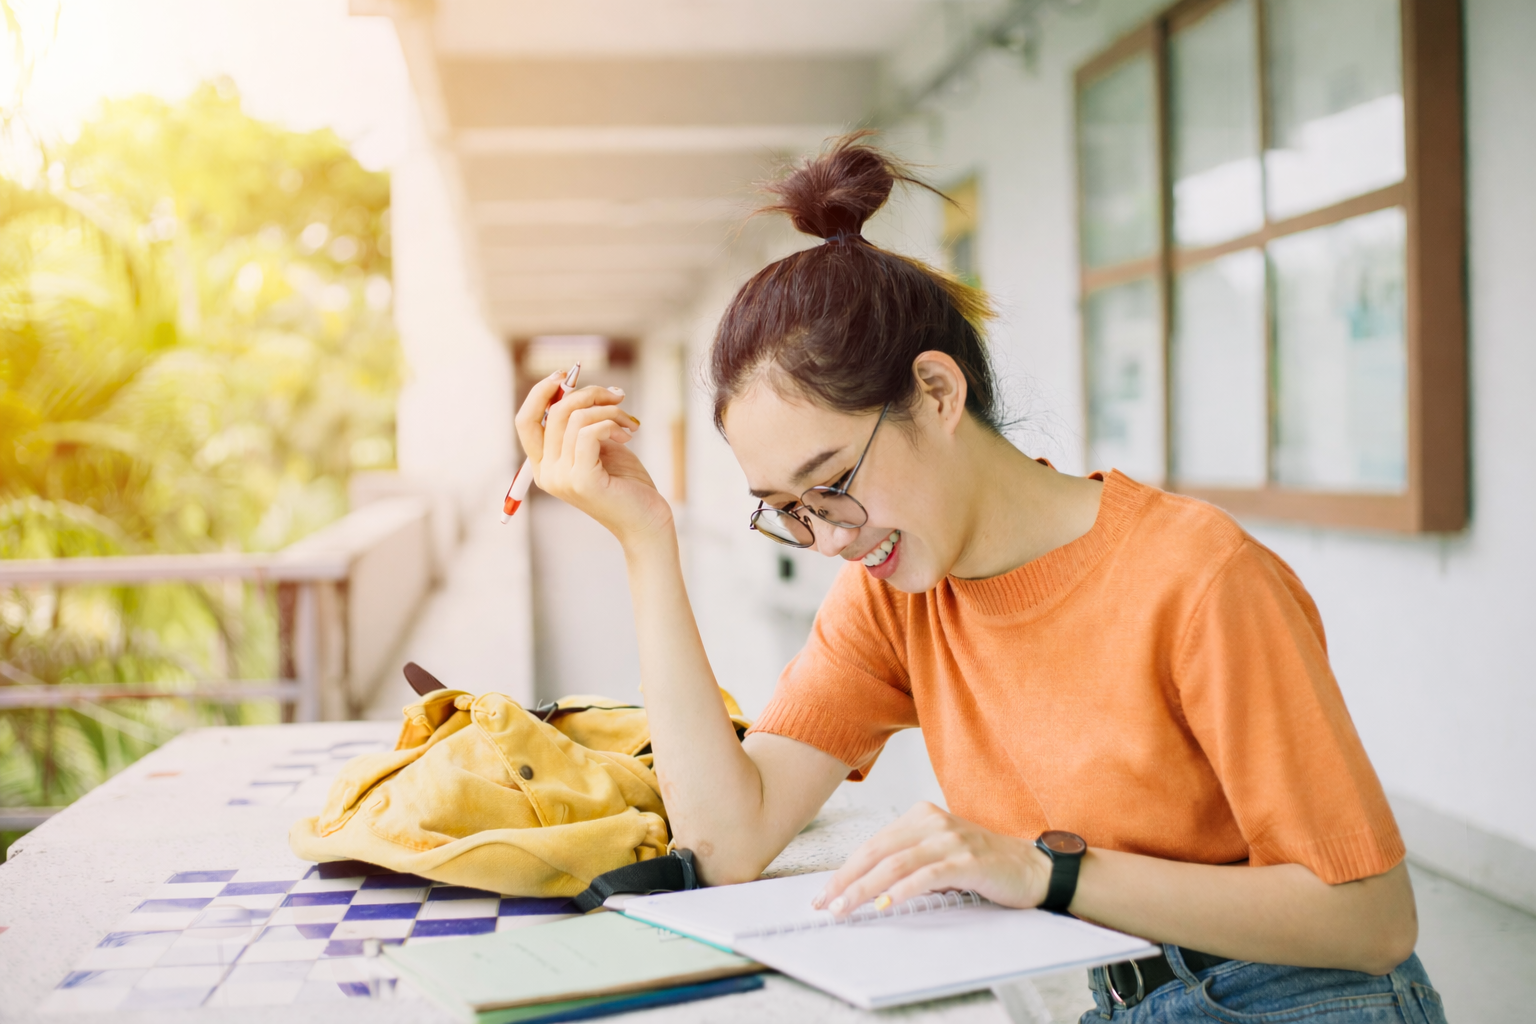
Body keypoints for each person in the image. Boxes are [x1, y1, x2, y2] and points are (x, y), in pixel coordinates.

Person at [515, 135, 1446, 1023]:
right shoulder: (896, 594)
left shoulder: (1197, 576)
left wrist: (1048, 871)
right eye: (786, 509)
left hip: (1305, 998)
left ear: (938, 392)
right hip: (1115, 987)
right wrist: (646, 541)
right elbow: (725, 842)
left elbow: (1368, 920)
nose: (829, 538)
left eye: (831, 484)